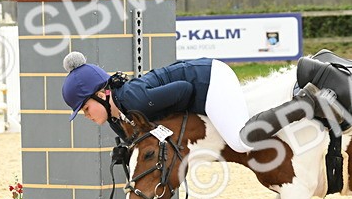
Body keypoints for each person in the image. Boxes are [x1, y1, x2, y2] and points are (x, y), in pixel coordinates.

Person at [61, 51, 254, 153]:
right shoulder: (115, 120)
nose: (86, 116)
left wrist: (163, 124)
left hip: (210, 78)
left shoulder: (133, 99)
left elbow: (184, 89)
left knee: (240, 142)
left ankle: (284, 113)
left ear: (101, 95)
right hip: (202, 87)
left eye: (86, 108)